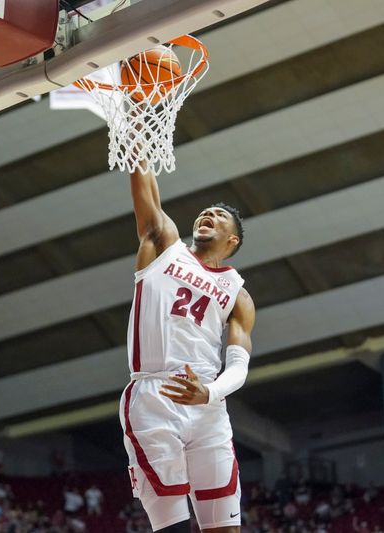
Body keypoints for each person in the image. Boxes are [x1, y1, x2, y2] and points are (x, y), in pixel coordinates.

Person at [119, 162, 256, 533]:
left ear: (233, 241)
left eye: (220, 215)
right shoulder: (163, 243)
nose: (209, 213)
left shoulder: (238, 295)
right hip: (155, 396)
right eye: (206, 211)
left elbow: (239, 367)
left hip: (207, 405)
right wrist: (136, 135)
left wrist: (208, 393)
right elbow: (143, 185)